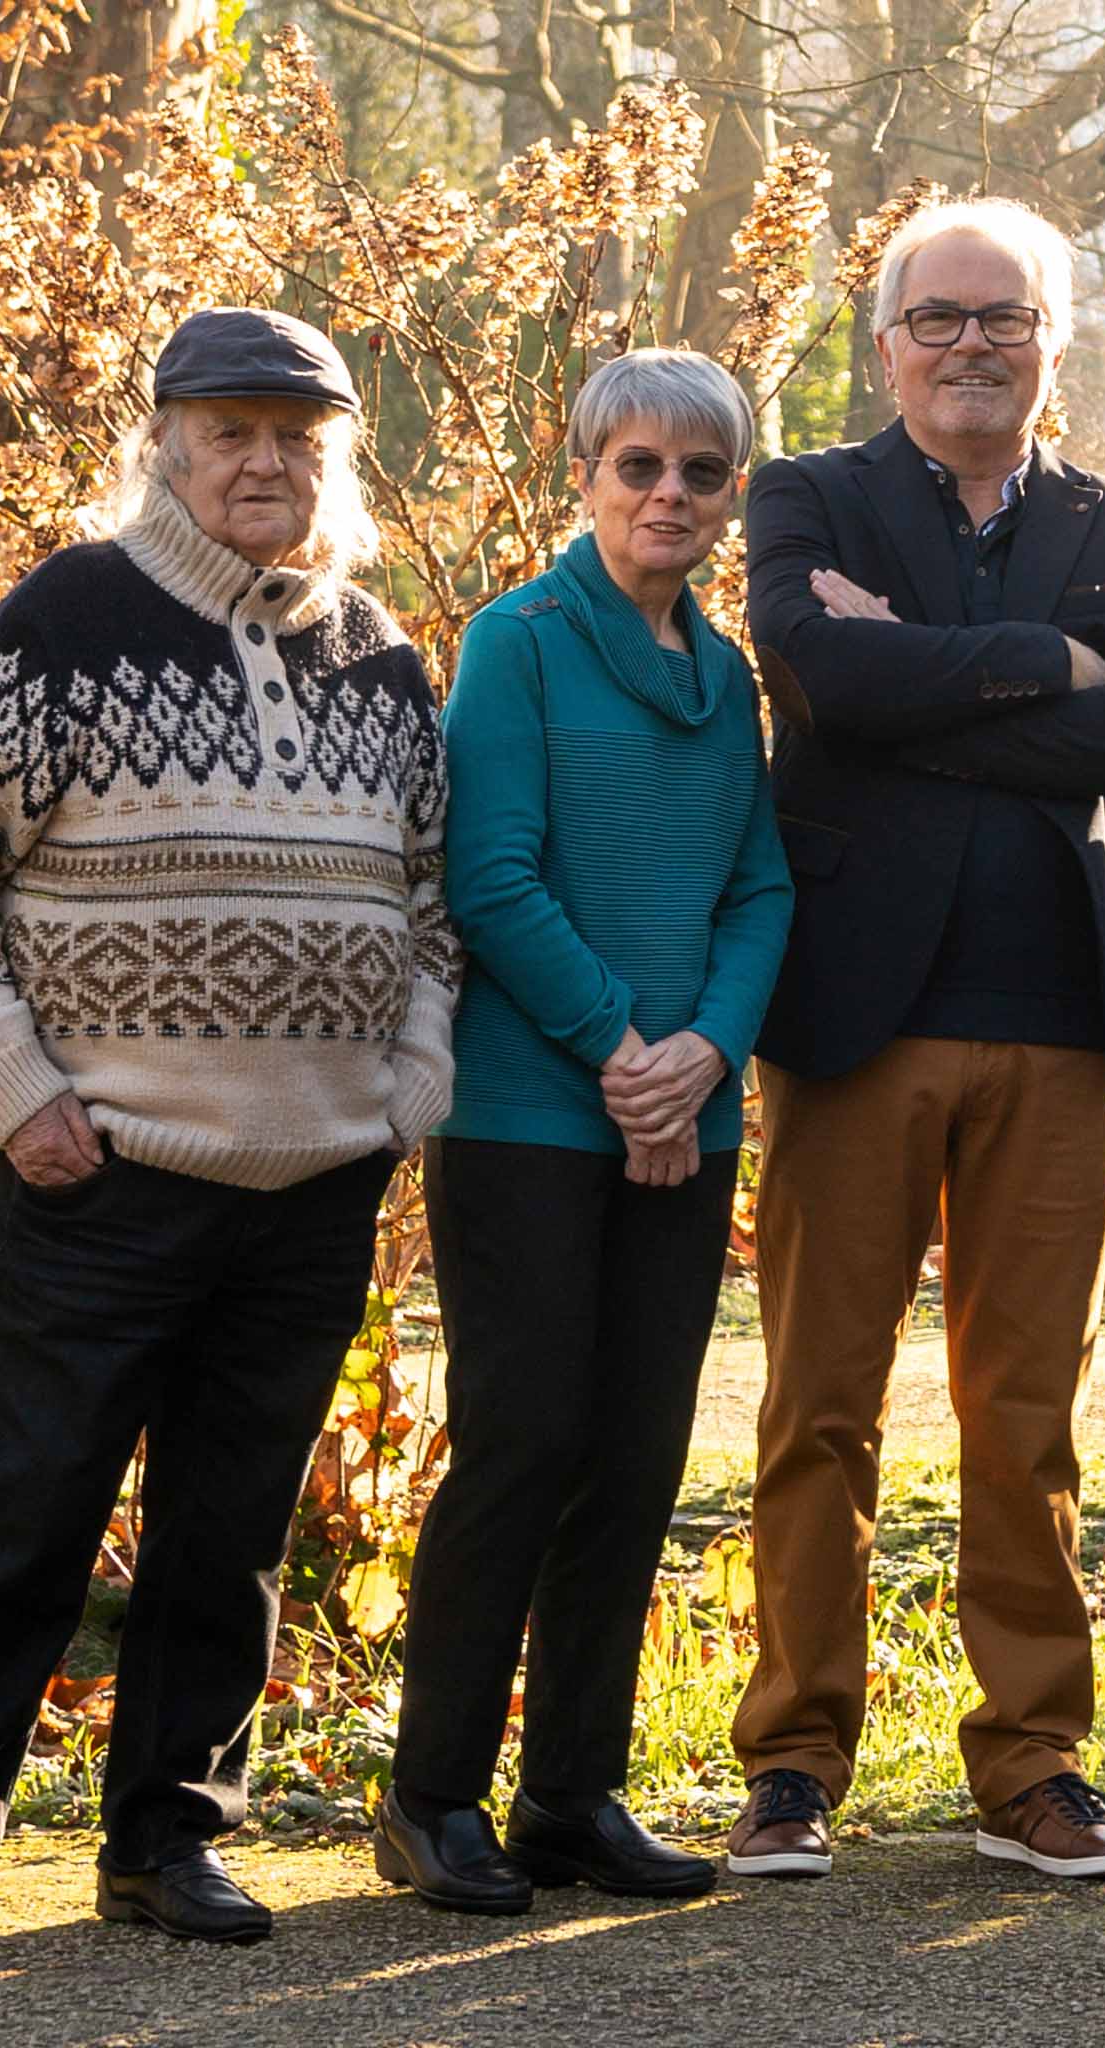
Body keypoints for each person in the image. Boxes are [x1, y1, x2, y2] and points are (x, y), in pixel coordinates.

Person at [0, 308, 457, 1966]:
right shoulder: (60, 620)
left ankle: (168, 1839)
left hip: (320, 1176)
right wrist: (12, 1093)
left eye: (298, 437)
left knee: (231, 1527)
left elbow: (426, 898)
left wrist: (411, 1082)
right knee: (20, 1508)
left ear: (335, 455)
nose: (266, 463)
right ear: (168, 444)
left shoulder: (378, 655)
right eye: (231, 431)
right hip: (100, 1168)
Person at [727, 198, 1105, 1885]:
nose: (973, 343)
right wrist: (1034, 666)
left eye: (1006, 317)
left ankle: (1033, 1767)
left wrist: (916, 672)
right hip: (854, 1021)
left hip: (1056, 1023)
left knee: (1026, 1414)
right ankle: (790, 1766)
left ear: (1053, 342)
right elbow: (816, 679)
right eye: (939, 318)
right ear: (887, 344)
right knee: (820, 1403)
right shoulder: (806, 494)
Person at [374, 350, 791, 1913]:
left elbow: (760, 885)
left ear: (729, 495)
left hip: (687, 1113)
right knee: (526, 1442)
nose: (669, 495)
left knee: (634, 1458)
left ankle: (572, 1797)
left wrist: (703, 1057)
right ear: (589, 477)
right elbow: (490, 875)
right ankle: (431, 1801)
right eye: (639, 466)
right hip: (536, 1114)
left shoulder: (730, 672)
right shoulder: (521, 642)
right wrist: (626, 1054)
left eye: (700, 473)